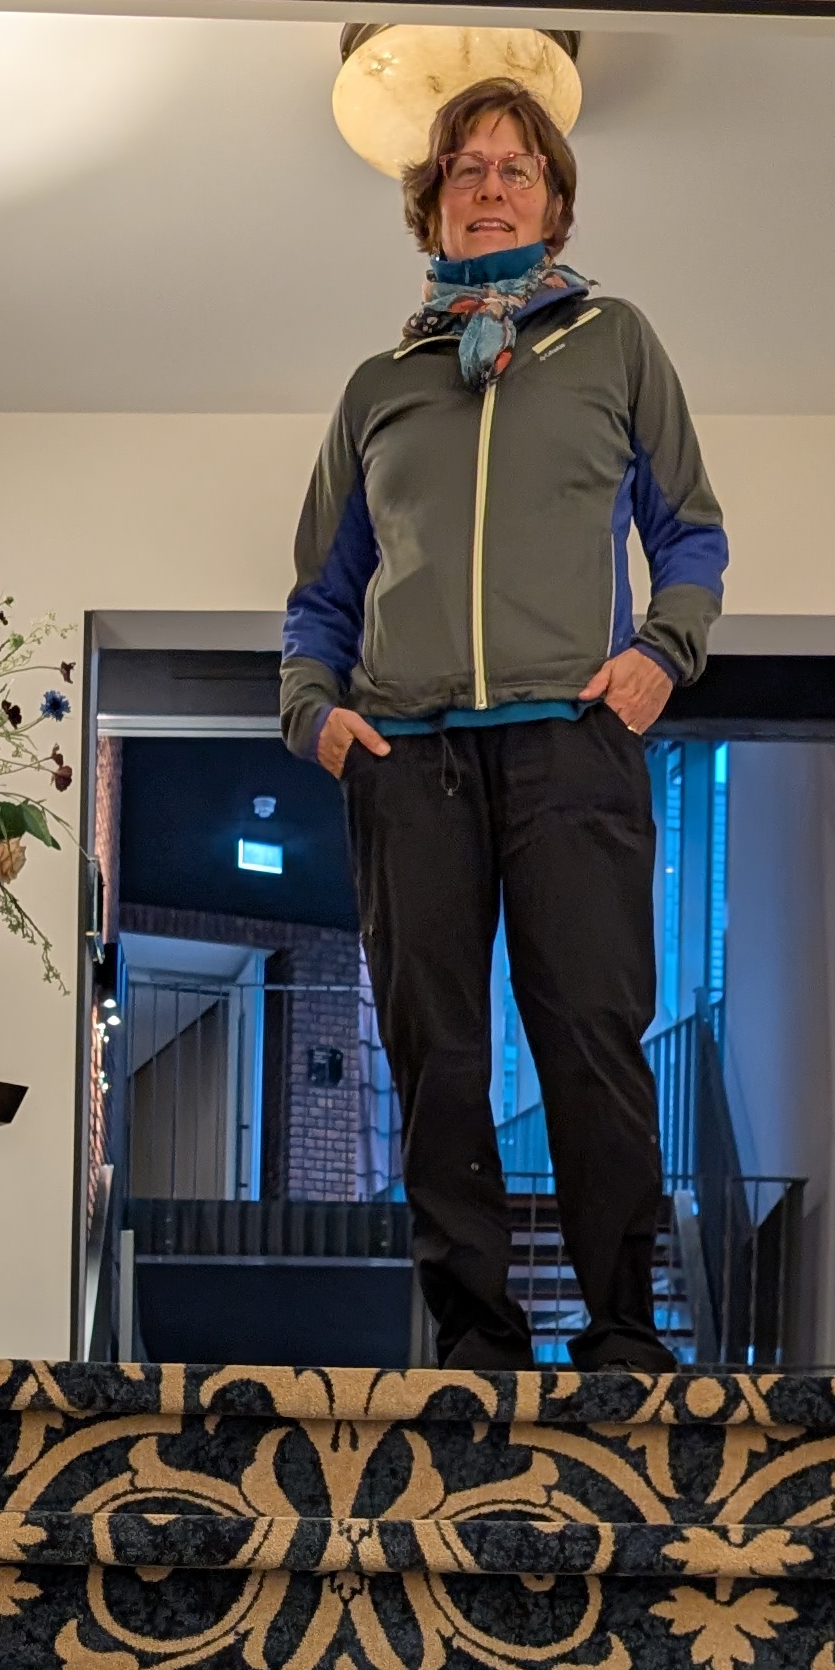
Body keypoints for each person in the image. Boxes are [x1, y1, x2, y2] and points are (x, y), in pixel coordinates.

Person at [282, 80, 727, 1373]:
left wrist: (660, 655)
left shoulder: (613, 343)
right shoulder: (382, 386)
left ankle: (627, 1330)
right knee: (434, 1054)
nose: (490, 185)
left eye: (516, 168)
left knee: (588, 1032)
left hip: (568, 747)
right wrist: (315, 714)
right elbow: (321, 590)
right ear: (431, 205)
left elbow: (688, 532)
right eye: (467, 167)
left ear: (556, 199)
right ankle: (475, 1338)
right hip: (408, 757)